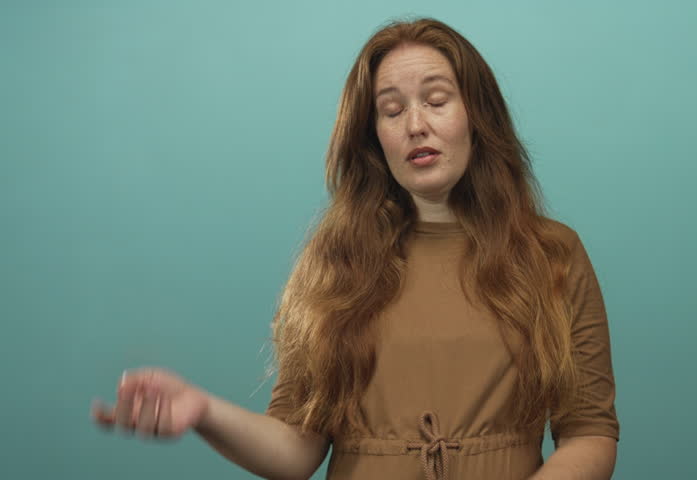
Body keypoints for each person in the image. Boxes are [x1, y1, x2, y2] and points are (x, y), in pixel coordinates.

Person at [91, 17, 619, 480]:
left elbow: (590, 434)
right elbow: (295, 450)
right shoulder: (333, 265)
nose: (416, 125)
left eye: (436, 101)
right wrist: (202, 410)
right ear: (373, 139)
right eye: (391, 111)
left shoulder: (554, 254)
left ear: (477, 117)